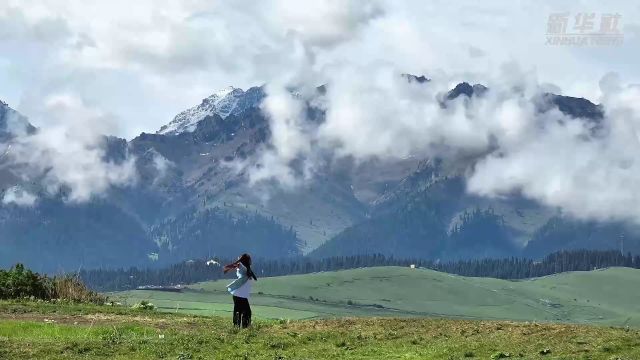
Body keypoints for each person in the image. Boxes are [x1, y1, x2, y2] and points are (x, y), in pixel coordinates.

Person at [223, 253, 258, 328]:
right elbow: (236, 265)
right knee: (245, 312)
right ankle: (242, 327)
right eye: (250, 259)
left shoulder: (247, 268)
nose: (251, 260)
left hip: (240, 294)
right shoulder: (241, 266)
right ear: (247, 260)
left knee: (240, 311)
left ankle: (239, 327)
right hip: (239, 294)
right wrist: (227, 268)